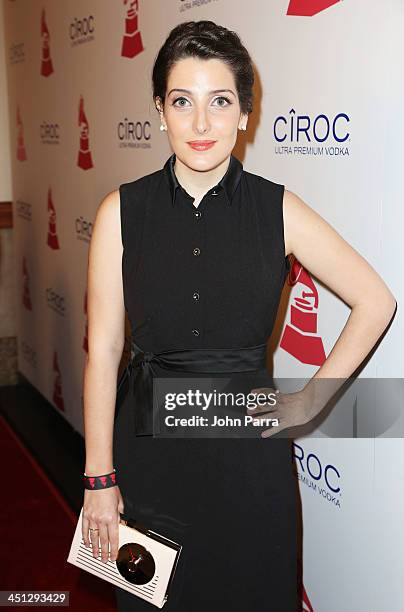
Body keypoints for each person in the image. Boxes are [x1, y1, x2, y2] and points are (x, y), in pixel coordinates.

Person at [81, 20, 397, 611]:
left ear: (244, 114)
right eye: (183, 101)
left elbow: (376, 300)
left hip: (248, 461)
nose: (201, 124)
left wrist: (308, 401)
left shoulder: (278, 209)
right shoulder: (120, 212)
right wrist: (99, 479)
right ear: (159, 110)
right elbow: (102, 352)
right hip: (149, 458)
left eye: (219, 101)